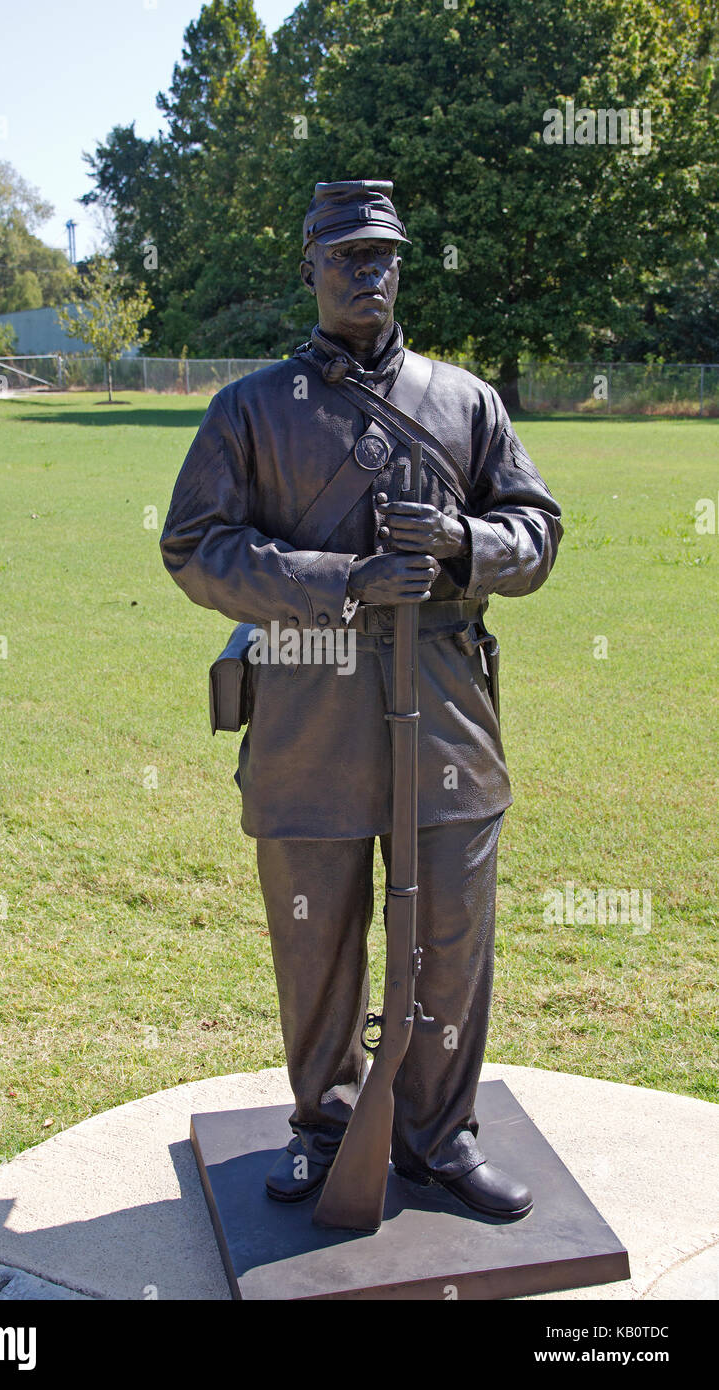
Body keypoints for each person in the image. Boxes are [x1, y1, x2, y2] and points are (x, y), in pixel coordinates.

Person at [160, 180, 563, 1220]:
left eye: (382, 255)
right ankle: (328, 1122)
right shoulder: (247, 409)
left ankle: (436, 1136)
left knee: (454, 933)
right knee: (317, 933)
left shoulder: (467, 402)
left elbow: (537, 530)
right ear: (309, 270)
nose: (366, 272)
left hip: (447, 708)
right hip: (311, 712)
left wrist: (467, 545)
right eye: (344, 257)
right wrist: (338, 583)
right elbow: (195, 546)